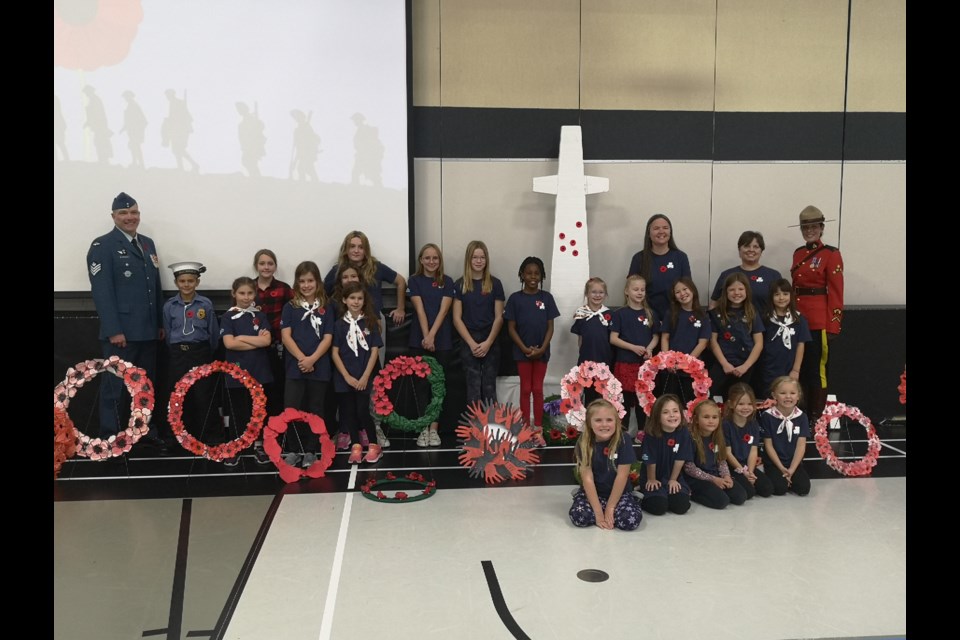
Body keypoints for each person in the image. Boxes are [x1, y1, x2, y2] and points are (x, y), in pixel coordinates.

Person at [87, 192, 166, 449]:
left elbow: (155, 287)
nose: (130, 217)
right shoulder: (102, 246)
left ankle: (143, 432)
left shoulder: (147, 244)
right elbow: (102, 291)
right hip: (121, 334)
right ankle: (112, 437)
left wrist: (159, 324)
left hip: (147, 331)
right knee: (115, 388)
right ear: (113, 217)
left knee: (144, 387)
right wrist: (113, 330)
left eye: (134, 213)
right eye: (123, 213)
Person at [790, 205, 844, 419]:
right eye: (805, 227)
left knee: (817, 372)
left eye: (814, 227)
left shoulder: (831, 254)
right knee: (799, 369)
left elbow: (837, 292)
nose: (809, 231)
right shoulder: (798, 253)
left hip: (818, 321)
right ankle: (799, 412)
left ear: (821, 228)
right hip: (798, 319)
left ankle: (816, 417)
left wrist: (833, 324)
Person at [280, 261, 335, 468]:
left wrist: (312, 359)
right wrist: (303, 359)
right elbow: (286, 337)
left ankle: (312, 449)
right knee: (292, 408)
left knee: (316, 409)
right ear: (296, 283)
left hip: (319, 366)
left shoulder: (326, 307)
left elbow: (328, 337)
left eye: (310, 280)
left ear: (318, 282)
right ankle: (294, 449)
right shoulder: (290, 307)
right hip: (295, 367)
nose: (306, 285)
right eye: (302, 281)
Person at [162, 262, 221, 444]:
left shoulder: (205, 304)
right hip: (178, 354)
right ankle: (176, 435)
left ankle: (208, 435)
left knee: (203, 394)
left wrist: (204, 352)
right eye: (182, 281)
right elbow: (168, 332)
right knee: (177, 395)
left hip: (200, 353)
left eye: (190, 281)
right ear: (176, 282)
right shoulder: (170, 306)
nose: (186, 285)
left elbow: (213, 333)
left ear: (197, 282)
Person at [219, 277, 273, 466]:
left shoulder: (261, 316)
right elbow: (229, 343)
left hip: (259, 370)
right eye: (242, 293)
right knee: (238, 411)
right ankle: (237, 446)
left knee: (257, 410)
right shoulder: (228, 316)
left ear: (255, 294)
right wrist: (252, 340)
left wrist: (241, 337)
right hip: (237, 372)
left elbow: (266, 342)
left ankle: (258, 445)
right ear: (234, 294)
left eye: (250, 293)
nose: (246, 297)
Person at [505, 256, 559, 439]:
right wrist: (524, 349)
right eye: (529, 273)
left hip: (542, 353)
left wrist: (542, 348)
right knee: (525, 388)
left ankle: (538, 430)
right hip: (522, 353)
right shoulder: (515, 299)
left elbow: (550, 326)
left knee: (537, 389)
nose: (533, 277)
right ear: (522, 274)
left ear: (542, 276)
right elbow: (511, 328)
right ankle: (525, 429)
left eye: (537, 273)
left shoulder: (547, 298)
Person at [407, 243, 456, 447]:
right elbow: (419, 310)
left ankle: (434, 428)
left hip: (441, 340)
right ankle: (422, 428)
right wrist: (426, 337)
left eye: (435, 258)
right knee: (420, 386)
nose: (431, 261)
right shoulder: (414, 280)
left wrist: (432, 336)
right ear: (421, 260)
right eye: (427, 258)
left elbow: (444, 311)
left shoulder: (447, 281)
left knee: (438, 385)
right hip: (419, 339)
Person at [568, 399, 642, 531]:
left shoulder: (623, 440)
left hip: (619, 493)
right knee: (580, 517)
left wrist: (610, 507)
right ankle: (582, 498)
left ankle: (631, 500)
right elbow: (587, 478)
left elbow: (622, 476)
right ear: (589, 423)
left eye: (609, 420)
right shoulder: (584, 441)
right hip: (594, 493)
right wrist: (598, 512)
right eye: (598, 420)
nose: (604, 424)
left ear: (616, 422)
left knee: (629, 521)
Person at [332, 282, 383, 464]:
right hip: (344, 376)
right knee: (348, 412)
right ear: (345, 300)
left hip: (363, 376)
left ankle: (374, 446)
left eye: (359, 298)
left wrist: (365, 377)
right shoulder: (338, 325)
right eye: (352, 298)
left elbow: (374, 351)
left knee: (363, 411)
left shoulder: (370, 322)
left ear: (364, 300)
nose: (356, 301)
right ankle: (356, 445)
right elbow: (334, 352)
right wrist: (346, 376)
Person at [452, 240, 505, 406]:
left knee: (489, 386)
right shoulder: (460, 284)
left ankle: (491, 429)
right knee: (473, 386)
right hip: (469, 339)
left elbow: (499, 317)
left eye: (482, 257)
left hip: (490, 339)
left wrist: (488, 343)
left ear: (486, 259)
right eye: (475, 257)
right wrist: (471, 343)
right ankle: (474, 430)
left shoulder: (495, 284)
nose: (479, 261)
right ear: (469, 259)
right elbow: (456, 318)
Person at [610, 274, 658, 437]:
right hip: (624, 363)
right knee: (624, 399)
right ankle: (621, 432)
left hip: (643, 365)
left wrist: (649, 349)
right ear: (626, 291)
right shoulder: (620, 314)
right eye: (635, 289)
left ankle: (642, 431)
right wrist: (633, 348)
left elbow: (656, 336)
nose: (639, 292)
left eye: (642, 290)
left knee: (641, 399)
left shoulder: (650, 313)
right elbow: (613, 338)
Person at [253, 249, 294, 425]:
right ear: (256, 266)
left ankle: (276, 427)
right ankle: (257, 428)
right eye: (262, 263)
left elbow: (294, 314)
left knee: (277, 386)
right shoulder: (248, 288)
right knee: (257, 389)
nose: (266, 267)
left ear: (275, 266)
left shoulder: (284, 288)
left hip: (278, 344)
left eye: (270, 263)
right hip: (254, 347)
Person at [627, 214, 691, 323]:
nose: (661, 231)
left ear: (670, 232)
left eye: (665, 228)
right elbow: (631, 290)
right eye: (656, 228)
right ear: (649, 233)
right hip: (646, 316)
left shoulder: (681, 257)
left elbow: (687, 290)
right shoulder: (639, 258)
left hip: (675, 316)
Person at [708, 272, 764, 398]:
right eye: (732, 289)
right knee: (714, 395)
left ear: (747, 291)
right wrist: (724, 364)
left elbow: (759, 343)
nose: (736, 293)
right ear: (725, 292)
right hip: (722, 364)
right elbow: (713, 341)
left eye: (740, 289)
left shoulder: (752, 312)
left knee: (740, 398)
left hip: (745, 365)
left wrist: (746, 366)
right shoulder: (716, 313)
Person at [684, 399, 747, 509]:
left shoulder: (717, 437)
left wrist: (726, 476)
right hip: (697, 479)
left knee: (740, 497)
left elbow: (721, 460)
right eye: (706, 417)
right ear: (696, 419)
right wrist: (713, 480)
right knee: (722, 501)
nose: (711, 421)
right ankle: (693, 494)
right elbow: (689, 468)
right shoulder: (691, 438)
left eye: (714, 417)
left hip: (715, 475)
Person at [658, 276, 710, 402]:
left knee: (690, 403)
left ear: (692, 290)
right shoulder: (671, 313)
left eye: (685, 289)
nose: (682, 293)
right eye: (677, 292)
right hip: (671, 369)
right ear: (674, 296)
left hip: (692, 369)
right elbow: (665, 338)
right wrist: (667, 360)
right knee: (670, 402)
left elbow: (702, 343)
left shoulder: (703, 315)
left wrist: (686, 363)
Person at [758, 279, 812, 399]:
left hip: (789, 368)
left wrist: (796, 370)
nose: (781, 298)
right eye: (777, 294)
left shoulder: (799, 319)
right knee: (768, 398)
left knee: (787, 397)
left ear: (791, 296)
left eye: (785, 294)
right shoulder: (764, 318)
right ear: (771, 297)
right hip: (767, 368)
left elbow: (800, 345)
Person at [639, 394, 692, 515]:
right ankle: (642, 497)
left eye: (675, 411)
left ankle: (669, 493)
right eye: (666, 412)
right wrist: (651, 479)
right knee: (659, 507)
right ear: (657, 416)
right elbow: (650, 460)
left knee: (681, 506)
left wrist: (673, 479)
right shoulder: (651, 434)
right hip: (653, 475)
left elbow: (681, 458)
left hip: (673, 474)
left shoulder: (683, 432)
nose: (672, 415)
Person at [709, 231, 782, 318]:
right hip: (732, 328)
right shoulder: (727, 275)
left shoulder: (773, 275)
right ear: (739, 250)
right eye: (747, 246)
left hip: (765, 327)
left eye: (756, 247)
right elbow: (714, 304)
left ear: (761, 251)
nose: (751, 250)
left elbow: (781, 304)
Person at [759, 376, 811, 496]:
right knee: (779, 489)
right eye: (783, 393)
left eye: (792, 393)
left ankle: (789, 476)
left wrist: (792, 469)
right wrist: (781, 468)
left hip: (793, 462)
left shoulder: (802, 417)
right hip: (775, 462)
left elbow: (800, 446)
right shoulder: (768, 416)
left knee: (804, 489)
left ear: (798, 396)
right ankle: (779, 476)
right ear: (774, 395)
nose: (788, 397)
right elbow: (769, 445)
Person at [722, 383, 773, 499]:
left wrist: (750, 471)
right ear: (730, 404)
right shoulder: (726, 425)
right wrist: (743, 472)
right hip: (733, 466)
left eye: (750, 404)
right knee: (749, 493)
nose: (746, 407)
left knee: (767, 489)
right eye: (741, 404)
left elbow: (753, 450)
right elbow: (727, 453)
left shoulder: (753, 424)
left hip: (747, 465)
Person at [571, 277, 613, 406]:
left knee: (604, 393)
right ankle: (589, 421)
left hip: (604, 359)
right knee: (589, 393)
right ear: (587, 294)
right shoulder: (581, 313)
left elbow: (612, 338)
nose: (597, 295)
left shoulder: (609, 314)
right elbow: (580, 339)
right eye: (593, 292)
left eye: (601, 292)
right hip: (587, 359)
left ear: (605, 294)